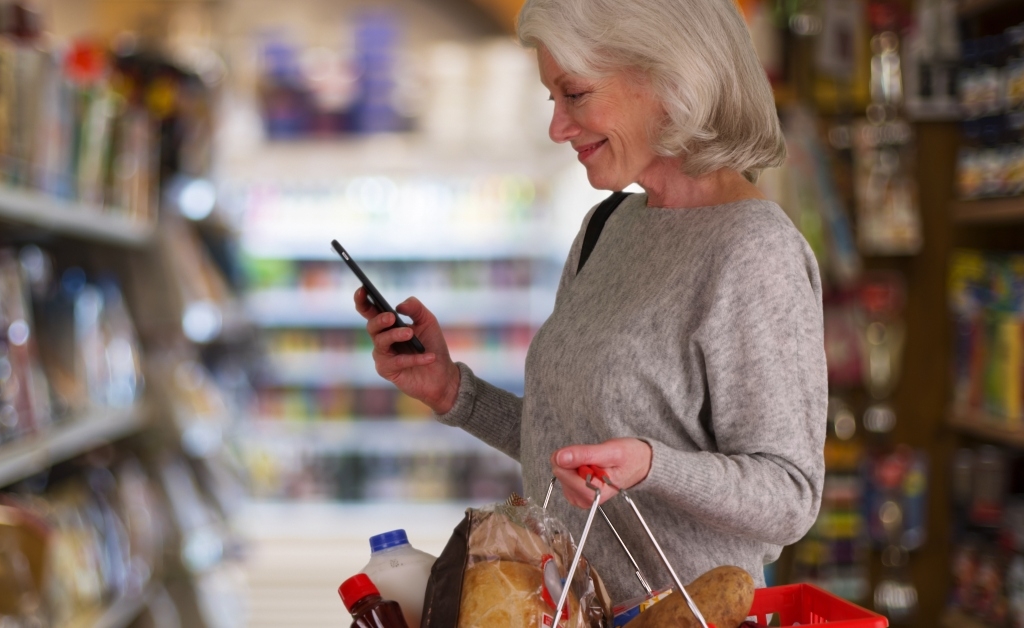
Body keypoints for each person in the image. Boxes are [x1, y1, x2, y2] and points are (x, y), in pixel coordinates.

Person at [353, 0, 826, 599]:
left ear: (669, 80)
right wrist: (453, 391)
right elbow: (576, 445)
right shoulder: (608, 225)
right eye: (554, 98)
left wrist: (653, 466)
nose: (557, 127)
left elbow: (789, 496)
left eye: (574, 94)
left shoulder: (753, 251)